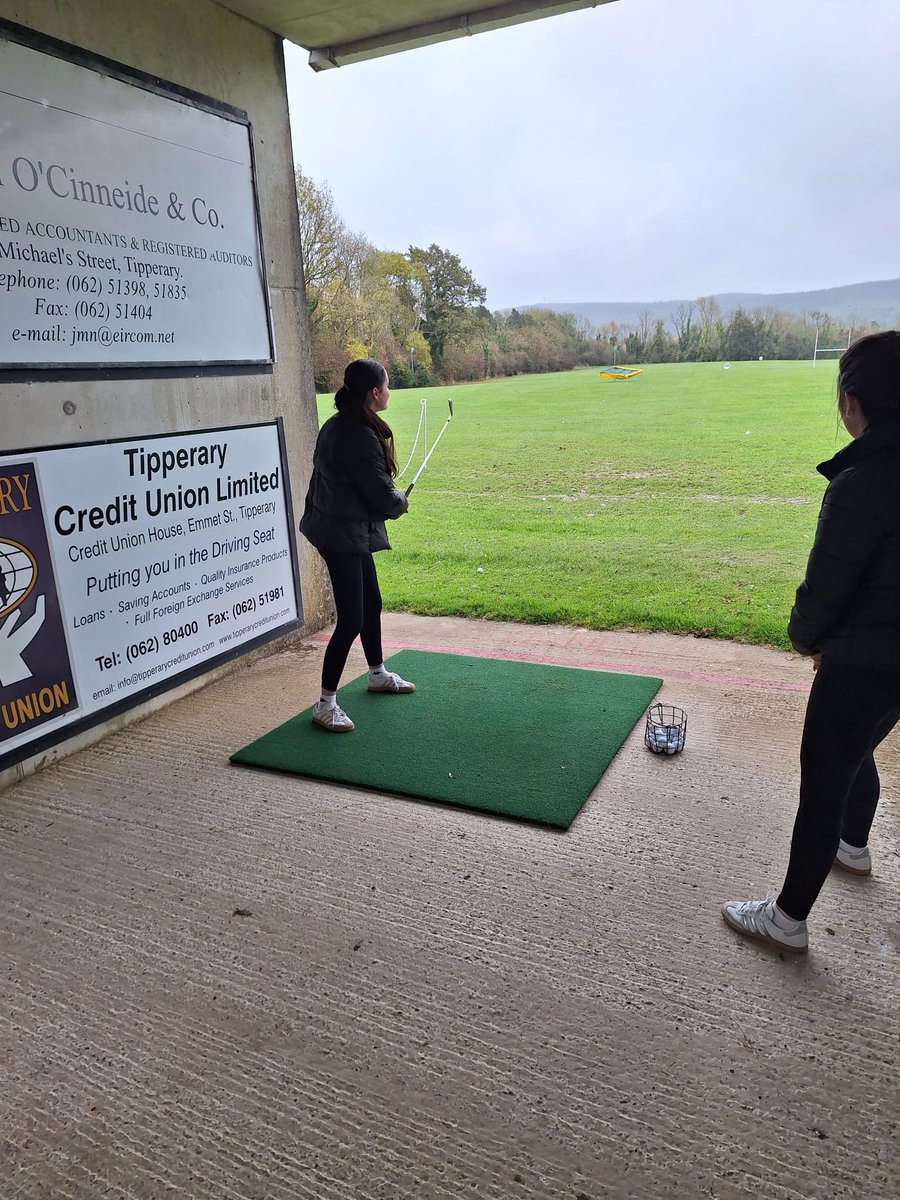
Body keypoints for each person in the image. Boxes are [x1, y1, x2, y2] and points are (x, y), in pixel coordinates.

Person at [723, 331, 900, 953]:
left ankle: (786, 920)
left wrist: (808, 640)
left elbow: (823, 592)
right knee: (862, 748)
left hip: (863, 659)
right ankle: (853, 849)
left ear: (852, 402)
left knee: (824, 781)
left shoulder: (860, 484)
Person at [299, 359, 415, 732]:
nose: (388, 392)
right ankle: (324, 703)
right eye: (386, 386)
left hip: (345, 528)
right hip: (340, 534)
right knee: (351, 618)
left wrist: (388, 497)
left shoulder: (340, 424)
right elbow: (381, 495)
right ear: (373, 394)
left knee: (372, 604)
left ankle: (377, 673)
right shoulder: (358, 434)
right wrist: (400, 502)